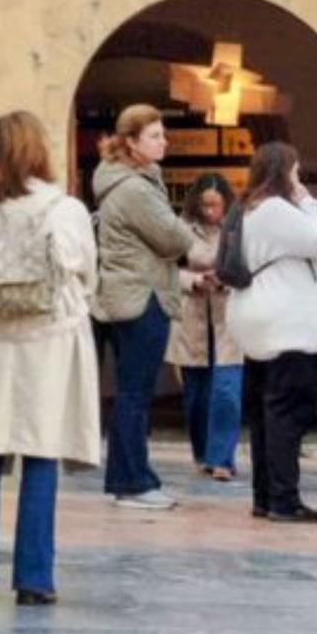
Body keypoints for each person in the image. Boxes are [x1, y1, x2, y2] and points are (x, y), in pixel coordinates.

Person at [0, 111, 100, 604]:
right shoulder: (66, 208)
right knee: (40, 450)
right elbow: (86, 273)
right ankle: (34, 577)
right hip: (49, 337)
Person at [93, 104, 213, 510]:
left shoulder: (136, 182)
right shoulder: (134, 190)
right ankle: (132, 483)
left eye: (163, 134)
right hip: (140, 297)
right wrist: (206, 252)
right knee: (135, 393)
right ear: (131, 143)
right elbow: (173, 237)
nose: (164, 141)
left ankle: (132, 477)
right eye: (155, 136)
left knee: (133, 392)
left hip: (136, 293)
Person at [227, 143, 317, 522]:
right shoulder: (276, 209)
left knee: (266, 413)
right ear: (283, 171)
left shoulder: (251, 209)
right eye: (295, 171)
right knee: (287, 413)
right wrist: (311, 203)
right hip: (288, 327)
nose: (299, 178)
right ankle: (283, 499)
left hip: (263, 323)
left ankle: (266, 495)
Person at [168, 173, 241, 481]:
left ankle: (222, 458)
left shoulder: (239, 230)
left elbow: (249, 266)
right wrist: (194, 280)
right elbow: (169, 270)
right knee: (196, 395)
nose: (211, 211)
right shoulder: (181, 230)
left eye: (217, 205)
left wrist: (227, 278)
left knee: (226, 390)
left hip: (228, 316)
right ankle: (202, 453)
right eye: (206, 205)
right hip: (192, 316)